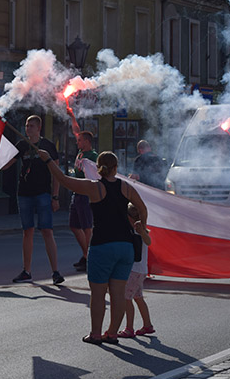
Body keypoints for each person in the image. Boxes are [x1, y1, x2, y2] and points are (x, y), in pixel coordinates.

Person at [38, 148, 148, 345]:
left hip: (102, 245)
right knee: (118, 293)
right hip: (125, 246)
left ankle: (96, 334)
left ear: (98, 168)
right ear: (115, 168)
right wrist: (142, 226)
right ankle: (112, 333)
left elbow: (63, 180)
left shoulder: (94, 187)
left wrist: (48, 161)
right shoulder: (126, 187)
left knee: (98, 293)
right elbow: (142, 207)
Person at [4, 115, 64, 285]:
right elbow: (7, 164)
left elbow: (56, 172)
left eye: (31, 126)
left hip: (43, 194)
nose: (27, 129)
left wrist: (55, 196)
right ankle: (27, 271)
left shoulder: (48, 146)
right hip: (24, 193)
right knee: (27, 231)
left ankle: (55, 271)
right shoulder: (22, 145)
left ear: (39, 128)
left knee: (47, 231)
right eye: (26, 125)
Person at [117, 203, 154, 339]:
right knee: (138, 298)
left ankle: (129, 328)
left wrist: (142, 231)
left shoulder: (138, 230)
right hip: (140, 270)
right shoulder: (137, 229)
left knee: (127, 299)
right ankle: (147, 325)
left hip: (134, 270)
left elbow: (148, 241)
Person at [68, 107, 98, 272]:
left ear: (86, 141)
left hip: (86, 194)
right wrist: (72, 116)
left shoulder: (92, 156)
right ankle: (86, 254)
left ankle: (90, 257)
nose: (77, 142)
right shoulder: (80, 152)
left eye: (80, 141)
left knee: (87, 227)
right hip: (77, 192)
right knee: (74, 226)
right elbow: (76, 130)